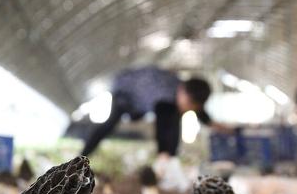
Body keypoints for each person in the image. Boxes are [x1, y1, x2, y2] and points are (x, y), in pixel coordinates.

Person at [81, 66, 218, 157]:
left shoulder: (181, 91)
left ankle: (169, 156)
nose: (189, 109)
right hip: (125, 92)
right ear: (184, 92)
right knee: (109, 124)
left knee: (173, 117)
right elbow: (164, 128)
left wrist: (217, 125)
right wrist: (164, 154)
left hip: (140, 95)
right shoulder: (165, 99)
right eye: (189, 105)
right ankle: (82, 156)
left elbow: (196, 110)